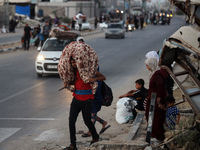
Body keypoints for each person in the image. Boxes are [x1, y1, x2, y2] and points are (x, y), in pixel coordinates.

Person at [61, 56, 101, 150]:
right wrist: (67, 84)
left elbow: (103, 77)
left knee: (87, 120)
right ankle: (73, 145)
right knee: (71, 121)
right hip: (76, 99)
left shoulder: (87, 71)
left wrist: (93, 79)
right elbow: (72, 83)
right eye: (72, 62)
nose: (73, 64)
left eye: (75, 62)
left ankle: (95, 137)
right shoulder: (72, 72)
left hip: (87, 100)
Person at [82, 68, 111, 138]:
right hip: (92, 99)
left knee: (93, 114)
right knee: (91, 114)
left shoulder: (96, 80)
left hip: (95, 99)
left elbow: (95, 91)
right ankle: (103, 122)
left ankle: (90, 131)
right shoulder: (93, 78)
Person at [145, 57, 168, 142]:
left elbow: (160, 89)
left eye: (147, 65)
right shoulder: (154, 73)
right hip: (152, 99)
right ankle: (153, 134)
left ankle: (158, 136)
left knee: (156, 119)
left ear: (151, 64)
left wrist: (159, 102)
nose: (147, 67)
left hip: (156, 101)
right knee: (151, 117)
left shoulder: (157, 75)